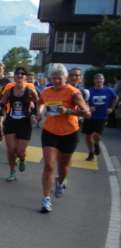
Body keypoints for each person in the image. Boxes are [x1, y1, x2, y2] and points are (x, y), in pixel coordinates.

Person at [36, 64, 88, 213]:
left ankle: (60, 182)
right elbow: (40, 102)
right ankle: (46, 200)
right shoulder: (46, 91)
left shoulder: (73, 92)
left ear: (65, 78)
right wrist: (39, 112)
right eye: (54, 78)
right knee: (49, 166)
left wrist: (68, 111)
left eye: (59, 78)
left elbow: (86, 112)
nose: (56, 81)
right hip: (50, 131)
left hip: (69, 133)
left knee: (63, 167)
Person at [0, 67, 39, 182]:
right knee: (11, 150)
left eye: (22, 74)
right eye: (17, 73)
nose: (20, 75)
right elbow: (2, 103)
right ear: (14, 76)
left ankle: (22, 159)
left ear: (25, 77)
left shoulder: (30, 91)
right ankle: (12, 172)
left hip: (24, 123)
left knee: (20, 152)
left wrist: (34, 115)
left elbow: (37, 103)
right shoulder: (9, 91)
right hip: (10, 122)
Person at [83, 73, 119, 161]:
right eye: (97, 79)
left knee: (96, 135)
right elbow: (84, 102)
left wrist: (111, 108)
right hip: (90, 116)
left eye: (101, 79)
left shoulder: (108, 90)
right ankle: (90, 153)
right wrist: (88, 108)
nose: (99, 80)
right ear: (94, 80)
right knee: (88, 136)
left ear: (103, 80)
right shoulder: (89, 91)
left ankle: (96, 144)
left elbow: (116, 98)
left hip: (101, 116)